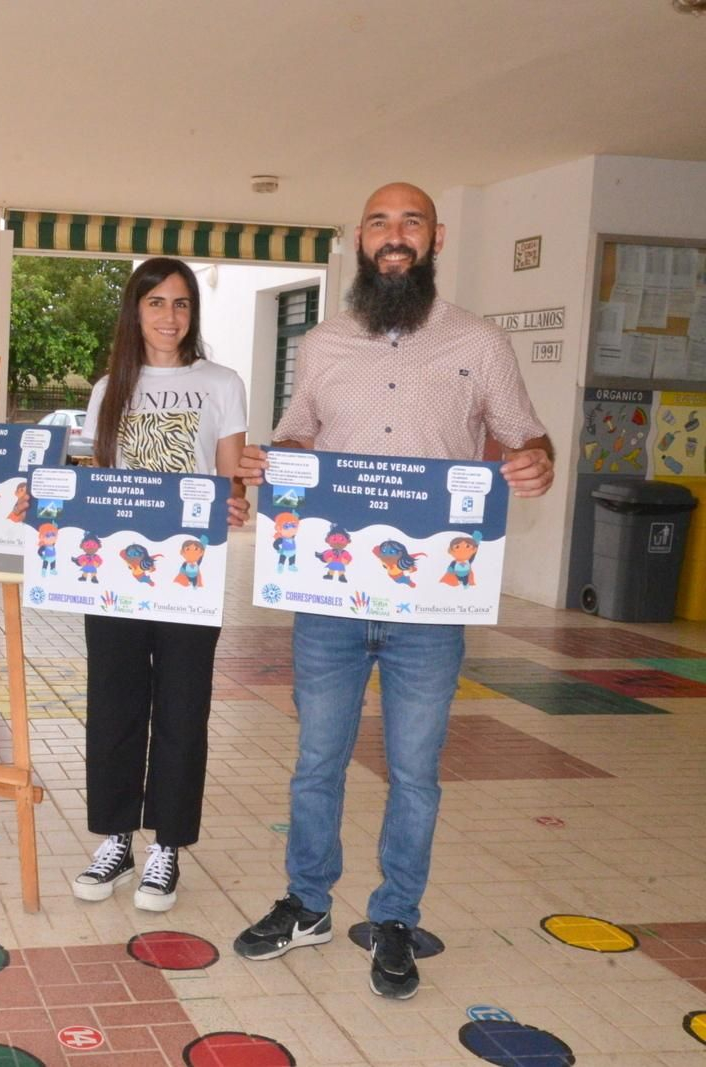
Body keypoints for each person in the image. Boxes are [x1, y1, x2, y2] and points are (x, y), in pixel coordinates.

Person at [231, 182, 554, 1000]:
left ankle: (396, 917)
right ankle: (307, 902)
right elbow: (300, 428)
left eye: (410, 221)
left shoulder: (478, 343)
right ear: (362, 239)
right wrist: (277, 457)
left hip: (430, 607)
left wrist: (536, 460)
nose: (394, 235)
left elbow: (527, 436)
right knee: (316, 762)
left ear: (434, 237)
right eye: (380, 222)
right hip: (331, 599)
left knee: (415, 769)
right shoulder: (325, 343)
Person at [71, 257, 250, 912]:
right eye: (155, 303)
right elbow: (97, 485)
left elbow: (233, 482)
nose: (169, 316)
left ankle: (167, 846)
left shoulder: (222, 382)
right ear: (135, 312)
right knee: (114, 706)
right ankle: (117, 837)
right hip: (115, 575)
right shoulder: (108, 389)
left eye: (180, 303)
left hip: (189, 576)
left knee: (181, 709)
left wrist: (236, 501)